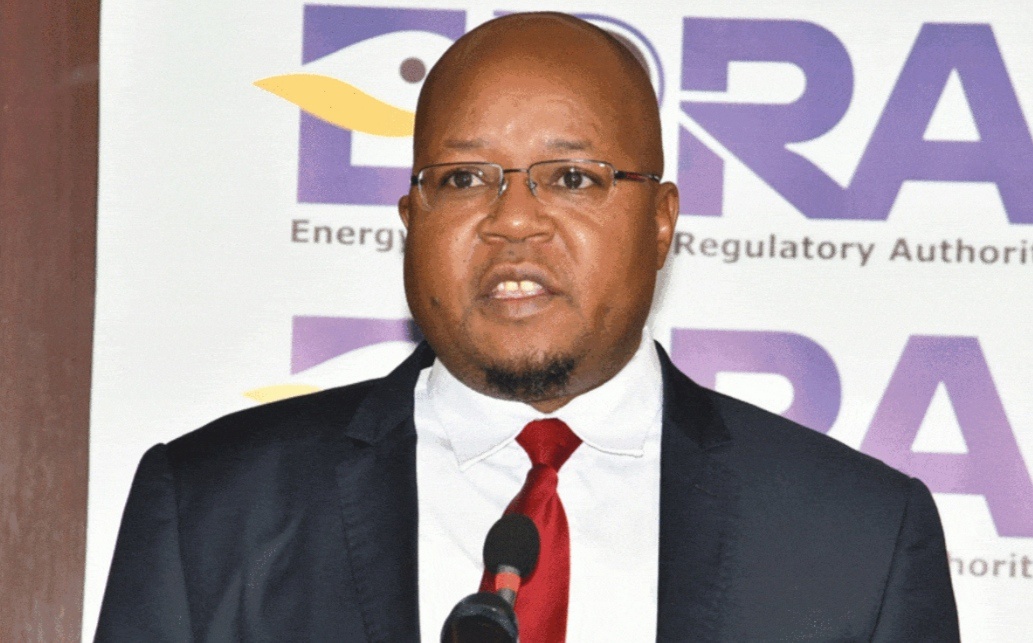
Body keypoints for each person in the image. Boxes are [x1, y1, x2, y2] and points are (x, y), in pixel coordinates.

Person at [96, 12, 959, 642]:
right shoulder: (212, 510)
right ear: (410, 218)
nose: (512, 219)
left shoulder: (858, 537)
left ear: (661, 221)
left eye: (573, 179)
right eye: (463, 178)